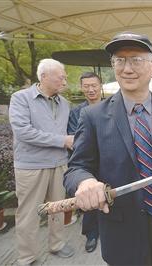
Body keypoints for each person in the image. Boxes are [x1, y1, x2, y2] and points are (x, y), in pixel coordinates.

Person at [64, 32, 152, 265]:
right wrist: (85, 182)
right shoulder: (92, 116)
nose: (127, 68)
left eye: (136, 60)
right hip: (121, 238)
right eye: (119, 60)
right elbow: (76, 167)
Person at [9, 58, 75, 266]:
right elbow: (23, 132)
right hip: (31, 166)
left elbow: (68, 132)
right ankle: (27, 257)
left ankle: (57, 244)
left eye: (65, 77)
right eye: (60, 76)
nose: (64, 81)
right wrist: (62, 141)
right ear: (44, 76)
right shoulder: (21, 98)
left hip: (59, 164)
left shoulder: (65, 103)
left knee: (57, 209)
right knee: (29, 213)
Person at [67, 72, 102, 253]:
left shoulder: (111, 107)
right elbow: (75, 140)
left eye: (94, 85)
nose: (91, 89)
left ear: (101, 86)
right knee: (89, 198)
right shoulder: (76, 112)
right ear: (81, 88)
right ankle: (91, 234)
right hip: (88, 164)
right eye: (86, 86)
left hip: (110, 160)